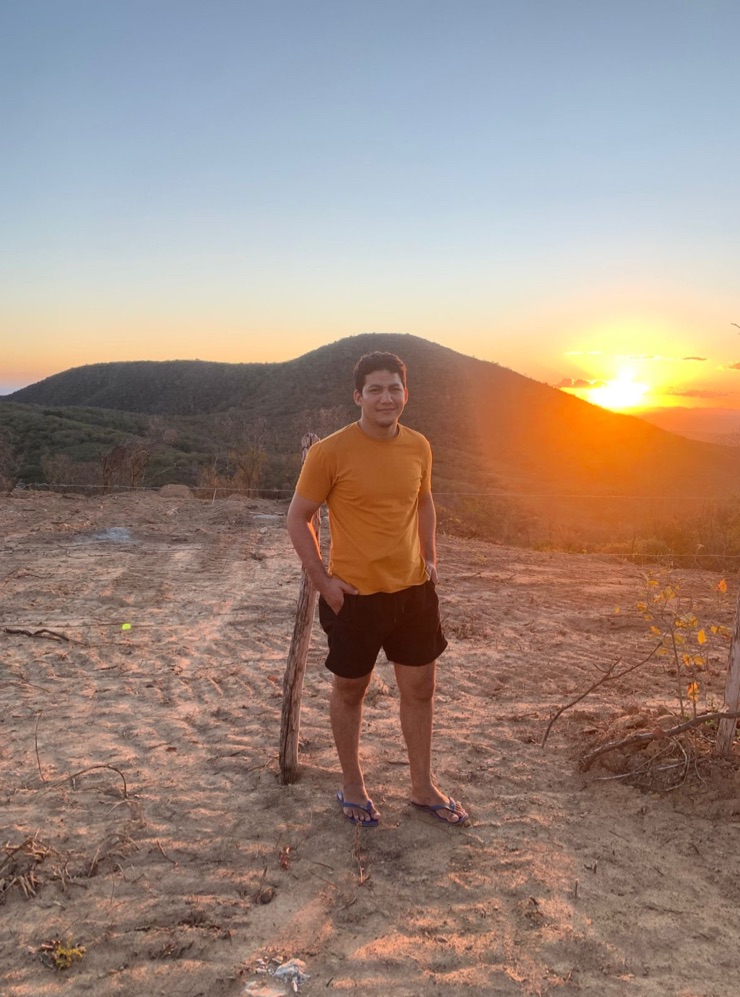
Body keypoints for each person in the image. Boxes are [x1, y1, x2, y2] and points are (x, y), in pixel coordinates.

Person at [286, 351, 468, 827]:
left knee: (421, 689)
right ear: (358, 396)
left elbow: (424, 501)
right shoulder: (330, 452)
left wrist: (430, 557)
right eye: (375, 389)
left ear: (406, 393)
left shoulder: (419, 446)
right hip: (355, 596)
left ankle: (422, 787)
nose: (386, 398)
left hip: (413, 593)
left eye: (394, 388)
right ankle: (352, 784)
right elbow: (298, 517)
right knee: (351, 690)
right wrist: (323, 582)